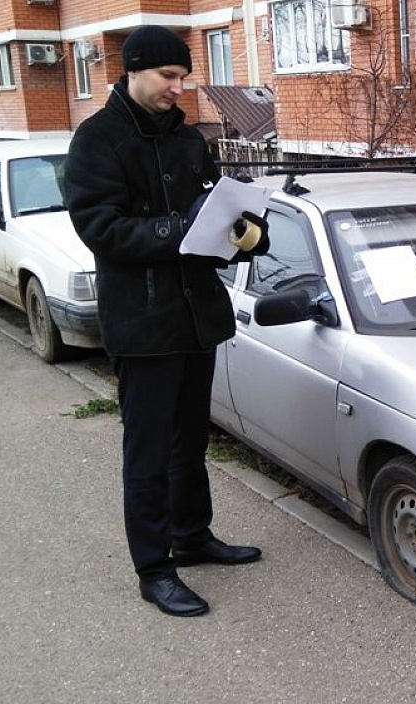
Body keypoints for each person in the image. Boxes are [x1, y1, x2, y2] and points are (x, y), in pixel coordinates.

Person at [64, 25, 269, 617]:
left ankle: (192, 535)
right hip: (142, 321)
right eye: (168, 77)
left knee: (190, 441)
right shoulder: (98, 139)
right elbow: (99, 228)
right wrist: (177, 232)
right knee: (148, 453)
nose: (178, 88)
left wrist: (249, 234)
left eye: (183, 78)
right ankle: (154, 568)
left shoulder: (187, 141)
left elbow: (217, 209)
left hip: (195, 317)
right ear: (133, 71)